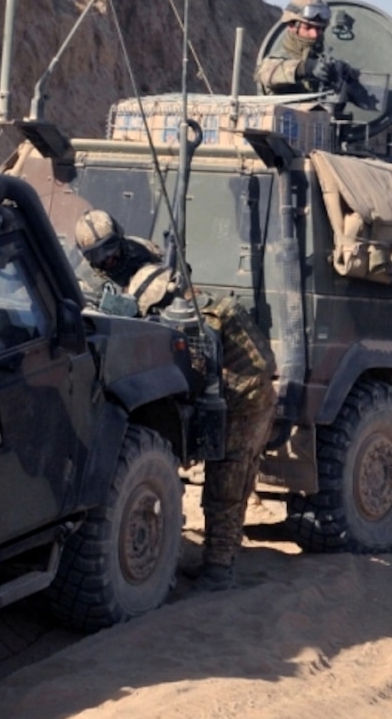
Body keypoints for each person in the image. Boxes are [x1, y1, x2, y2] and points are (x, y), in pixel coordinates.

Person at [72, 209, 277, 591]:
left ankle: (220, 568)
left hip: (246, 389)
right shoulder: (120, 273)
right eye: (99, 257)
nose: (108, 261)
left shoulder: (171, 296)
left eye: (111, 251)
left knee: (227, 480)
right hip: (224, 378)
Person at [256, 0, 358, 99]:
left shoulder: (320, 61)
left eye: (319, 29)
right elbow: (266, 74)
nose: (314, 34)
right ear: (292, 26)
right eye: (308, 28)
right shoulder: (276, 60)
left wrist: (343, 72)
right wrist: (305, 69)